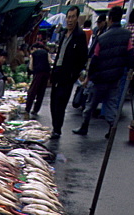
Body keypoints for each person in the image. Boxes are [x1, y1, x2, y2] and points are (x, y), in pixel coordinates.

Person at [73, 6, 134, 137]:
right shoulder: (126, 36)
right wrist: (130, 70)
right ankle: (111, 128)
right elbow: (130, 55)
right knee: (112, 103)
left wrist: (88, 77)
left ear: (110, 19)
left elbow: (94, 58)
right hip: (115, 77)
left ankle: (84, 126)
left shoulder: (102, 37)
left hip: (99, 78)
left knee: (90, 104)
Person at [49, 4, 88, 138]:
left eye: (72, 17)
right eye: (68, 17)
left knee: (61, 102)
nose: (70, 20)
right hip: (57, 72)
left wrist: (73, 75)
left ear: (77, 18)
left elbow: (83, 57)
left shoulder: (80, 35)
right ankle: (55, 126)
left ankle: (57, 129)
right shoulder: (63, 34)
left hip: (68, 75)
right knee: (53, 101)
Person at [25, 36, 51, 115]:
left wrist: (32, 71)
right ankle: (36, 110)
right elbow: (50, 62)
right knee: (41, 92)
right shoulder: (46, 53)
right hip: (46, 74)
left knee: (32, 92)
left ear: (34, 48)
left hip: (38, 73)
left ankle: (28, 108)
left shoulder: (33, 54)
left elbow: (31, 67)